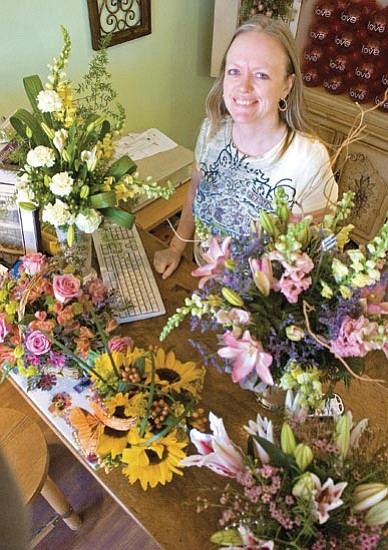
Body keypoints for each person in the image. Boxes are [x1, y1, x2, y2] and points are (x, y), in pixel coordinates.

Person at [153, 15, 338, 279]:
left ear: (287, 85)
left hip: (260, 302)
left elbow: (321, 248)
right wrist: (175, 247)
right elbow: (195, 189)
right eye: (234, 71)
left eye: (261, 75)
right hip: (202, 275)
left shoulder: (308, 159)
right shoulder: (212, 130)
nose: (244, 86)